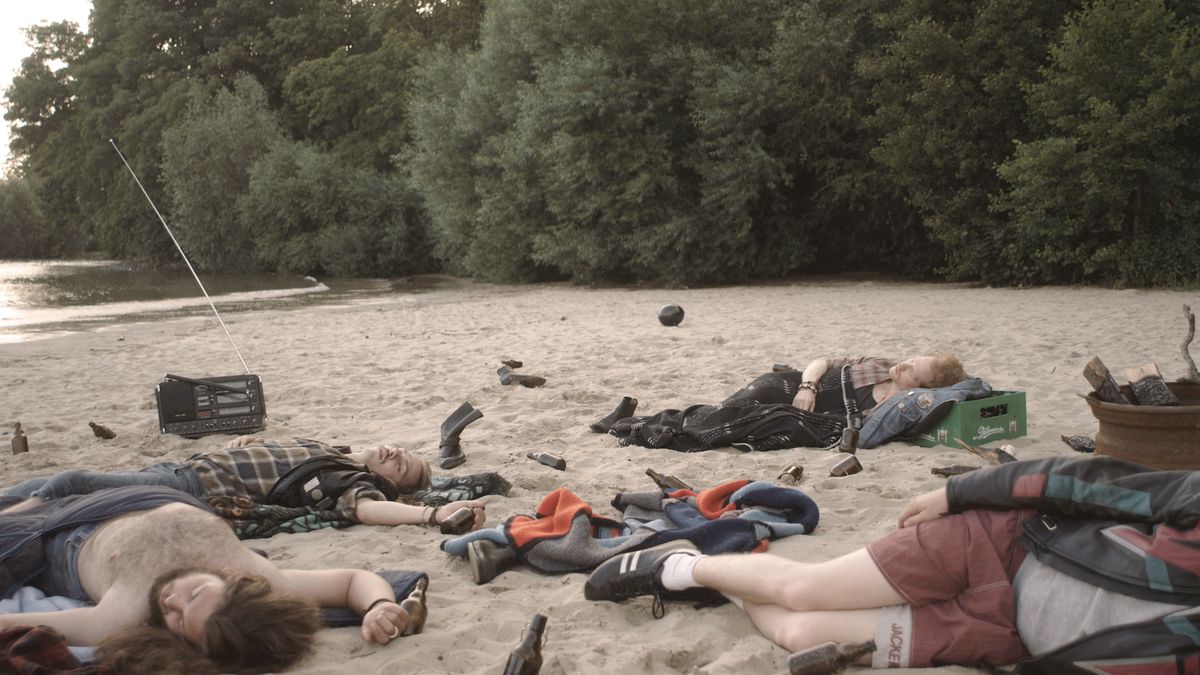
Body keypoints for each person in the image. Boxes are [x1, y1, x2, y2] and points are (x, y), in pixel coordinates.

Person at [583, 455, 1200, 670]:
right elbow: (1089, 481)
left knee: (798, 633)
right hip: (1001, 542)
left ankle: (732, 588)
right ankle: (686, 567)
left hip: (1002, 635)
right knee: (805, 590)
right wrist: (959, 493)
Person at [0, 485, 418, 674]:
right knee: (53, 485)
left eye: (178, 621)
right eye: (194, 593)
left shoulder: (121, 615)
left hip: (69, 536)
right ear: (233, 580)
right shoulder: (261, 575)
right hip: (154, 497)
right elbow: (354, 580)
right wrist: (380, 606)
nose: (171, 601)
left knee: (22, 509)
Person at [2, 436, 487, 530]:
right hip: (184, 465)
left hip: (190, 487)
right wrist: (250, 443)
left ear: (386, 483)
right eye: (401, 450)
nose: (396, 454)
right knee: (52, 483)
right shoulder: (328, 449)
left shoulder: (350, 482)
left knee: (72, 482)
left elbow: (366, 510)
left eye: (400, 466)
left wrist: (430, 513)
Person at [592, 355, 966, 452]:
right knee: (752, 395)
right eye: (913, 359)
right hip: (799, 388)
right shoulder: (879, 364)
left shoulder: (900, 406)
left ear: (924, 386)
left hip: (804, 419)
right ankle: (637, 422)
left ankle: (635, 423)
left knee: (735, 420)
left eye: (916, 370)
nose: (906, 365)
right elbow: (822, 361)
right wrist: (807, 385)